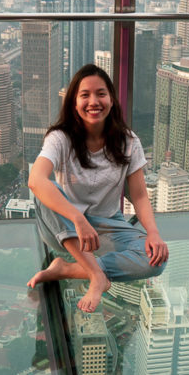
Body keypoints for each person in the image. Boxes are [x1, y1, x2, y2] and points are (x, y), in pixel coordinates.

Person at [27, 64, 168, 312]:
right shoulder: (60, 138)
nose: (94, 101)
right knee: (45, 192)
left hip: (107, 227)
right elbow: (36, 180)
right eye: (85, 95)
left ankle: (67, 269)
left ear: (112, 100)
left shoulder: (129, 142)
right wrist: (77, 218)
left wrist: (153, 233)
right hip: (65, 228)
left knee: (156, 262)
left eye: (101, 94)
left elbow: (139, 195)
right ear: (74, 103)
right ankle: (96, 275)